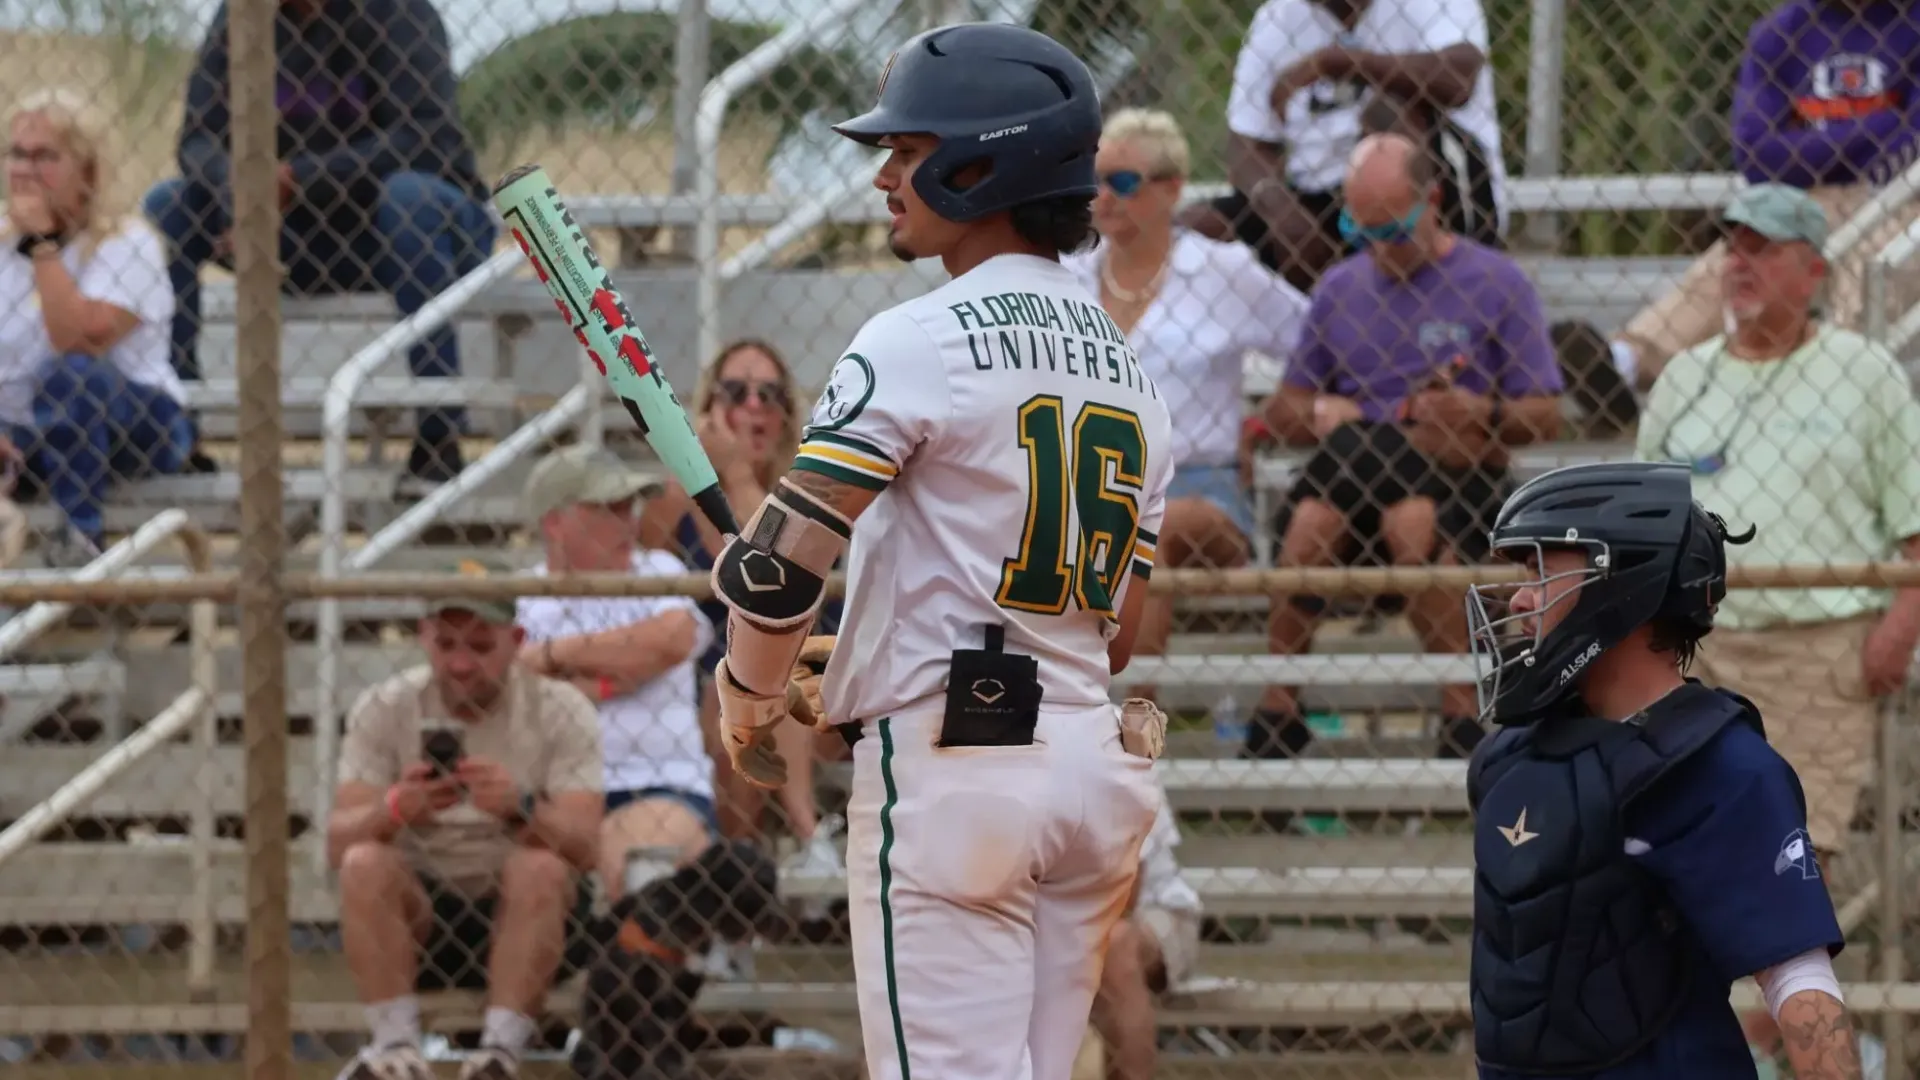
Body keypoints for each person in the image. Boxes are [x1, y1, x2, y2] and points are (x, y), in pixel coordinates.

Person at [700, 23, 1170, 1080]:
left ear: (980, 165)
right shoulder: (1133, 373)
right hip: (1094, 784)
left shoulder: (915, 337)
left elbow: (779, 571)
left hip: (959, 781)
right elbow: (1117, 635)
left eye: (907, 152)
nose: (881, 176)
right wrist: (862, 662)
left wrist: (750, 690)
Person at [1634, 182, 1920, 1066]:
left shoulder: (1865, 371)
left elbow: (1915, 524)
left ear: (1814, 269)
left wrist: (1897, 629)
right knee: (1663, 855)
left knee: (1794, 863)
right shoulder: (1687, 377)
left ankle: (1762, 1053)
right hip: (1691, 653)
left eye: (1763, 248)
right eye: (1734, 246)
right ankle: (1703, 1041)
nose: (1741, 263)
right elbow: (1639, 527)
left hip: (1819, 647)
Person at [1464, 460, 1859, 1080]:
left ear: (1621, 583)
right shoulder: (1512, 757)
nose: (1518, 596)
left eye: (1542, 571)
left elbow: (1799, 982)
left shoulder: (1715, 765)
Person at [1254, 132, 1564, 762]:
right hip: (1354, 488)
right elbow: (1283, 411)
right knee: (1337, 498)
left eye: (1391, 231)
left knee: (1404, 510)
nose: (1377, 250)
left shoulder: (1497, 282)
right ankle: (1446, 719)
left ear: (1434, 200)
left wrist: (1483, 411)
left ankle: (1278, 719)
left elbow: (1547, 415)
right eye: (1357, 229)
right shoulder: (1340, 288)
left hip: (1456, 482)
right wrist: (1319, 412)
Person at [144, 0, 496, 491]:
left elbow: (425, 138)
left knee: (408, 198)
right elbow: (196, 139)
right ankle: (176, 427)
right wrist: (240, 191)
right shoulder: (243, 15)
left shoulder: (399, 12)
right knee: (168, 206)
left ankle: (439, 441)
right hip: (291, 232)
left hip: (416, 231)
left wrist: (300, 179)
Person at [1062, 107, 1307, 702]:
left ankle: (1130, 717)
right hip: (1084, 484)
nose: (1105, 197)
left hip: (1201, 488)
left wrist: (1266, 419)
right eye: (1096, 181)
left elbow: (1315, 342)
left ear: (1171, 189)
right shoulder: (1068, 278)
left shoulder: (1221, 271)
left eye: (1123, 182)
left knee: (1152, 531)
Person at [327, 559, 604, 1080]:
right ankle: (394, 1052)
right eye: (445, 644)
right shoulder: (385, 706)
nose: (460, 663)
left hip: (533, 914)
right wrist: (392, 810)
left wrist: (521, 808)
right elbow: (337, 843)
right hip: (423, 912)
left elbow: (587, 847)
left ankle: (498, 1055)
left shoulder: (560, 708)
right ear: (422, 636)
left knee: (540, 868)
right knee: (364, 861)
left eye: (480, 646)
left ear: (516, 639)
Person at [1603, 0, 1920, 391]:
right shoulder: (1785, 30)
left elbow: (1915, 141)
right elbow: (1758, 155)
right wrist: (1886, 122)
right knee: (1742, 256)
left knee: (1872, 257)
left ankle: (1835, 385)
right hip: (1807, 198)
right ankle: (1628, 363)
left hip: (1899, 200)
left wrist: (1806, 145)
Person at [638, 339, 846, 885]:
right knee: (731, 688)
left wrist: (735, 476)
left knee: (775, 667)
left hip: (818, 692)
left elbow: (778, 572)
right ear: (711, 408)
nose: (754, 405)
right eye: (735, 392)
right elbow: (639, 575)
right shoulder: (673, 497)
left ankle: (804, 834)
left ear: (786, 412)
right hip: (703, 687)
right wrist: (706, 476)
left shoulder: (813, 486)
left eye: (769, 393)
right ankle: (742, 874)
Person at [1184, 0, 1505, 292]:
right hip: (1318, 203)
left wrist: (1338, 62)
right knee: (1195, 230)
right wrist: (1280, 207)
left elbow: (1458, 79)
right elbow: (1245, 144)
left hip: (1429, 190)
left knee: (1389, 112)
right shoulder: (1277, 17)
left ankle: (1432, 296)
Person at [514, 444, 718, 899]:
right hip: (550, 795)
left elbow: (673, 639)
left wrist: (550, 657)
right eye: (609, 508)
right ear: (555, 523)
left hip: (657, 786)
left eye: (631, 506)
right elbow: (510, 684)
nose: (629, 520)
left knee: (639, 858)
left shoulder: (658, 569)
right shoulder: (523, 596)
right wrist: (623, 668)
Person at [0, 89, 193, 565]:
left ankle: (80, 542)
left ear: (87, 171)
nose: (25, 170)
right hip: (24, 433)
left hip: (136, 428)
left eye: (45, 156)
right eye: (16, 154)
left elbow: (78, 337)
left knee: (69, 374)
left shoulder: (128, 243)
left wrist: (42, 244)